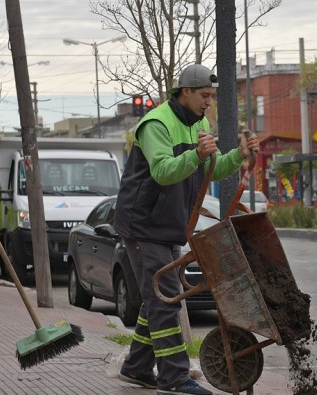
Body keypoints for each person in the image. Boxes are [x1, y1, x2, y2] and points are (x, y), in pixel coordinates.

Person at [114, 63, 259, 395]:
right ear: (185, 92)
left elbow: (213, 168)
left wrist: (238, 155)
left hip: (169, 224)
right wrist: (195, 154)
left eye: (212, 96)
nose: (209, 102)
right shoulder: (156, 124)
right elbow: (163, 172)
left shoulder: (199, 124)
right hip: (143, 225)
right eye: (204, 95)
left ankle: (136, 367)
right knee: (164, 300)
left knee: (161, 296)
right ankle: (173, 377)